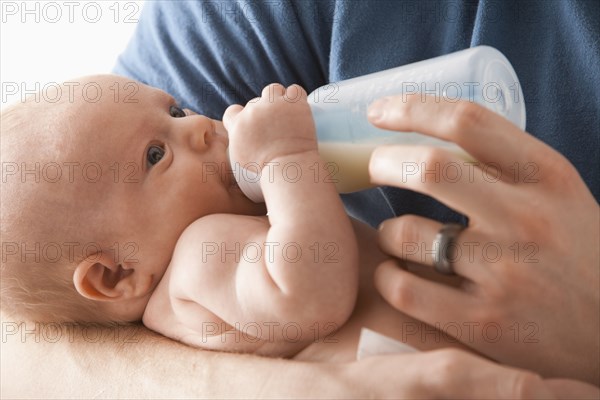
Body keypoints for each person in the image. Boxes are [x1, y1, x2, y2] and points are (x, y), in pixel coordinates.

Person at [2, 0, 598, 397]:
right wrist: (286, 160)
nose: (201, 128)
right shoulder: (196, 260)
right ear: (114, 274)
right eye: (157, 155)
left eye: (176, 111)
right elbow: (309, 293)